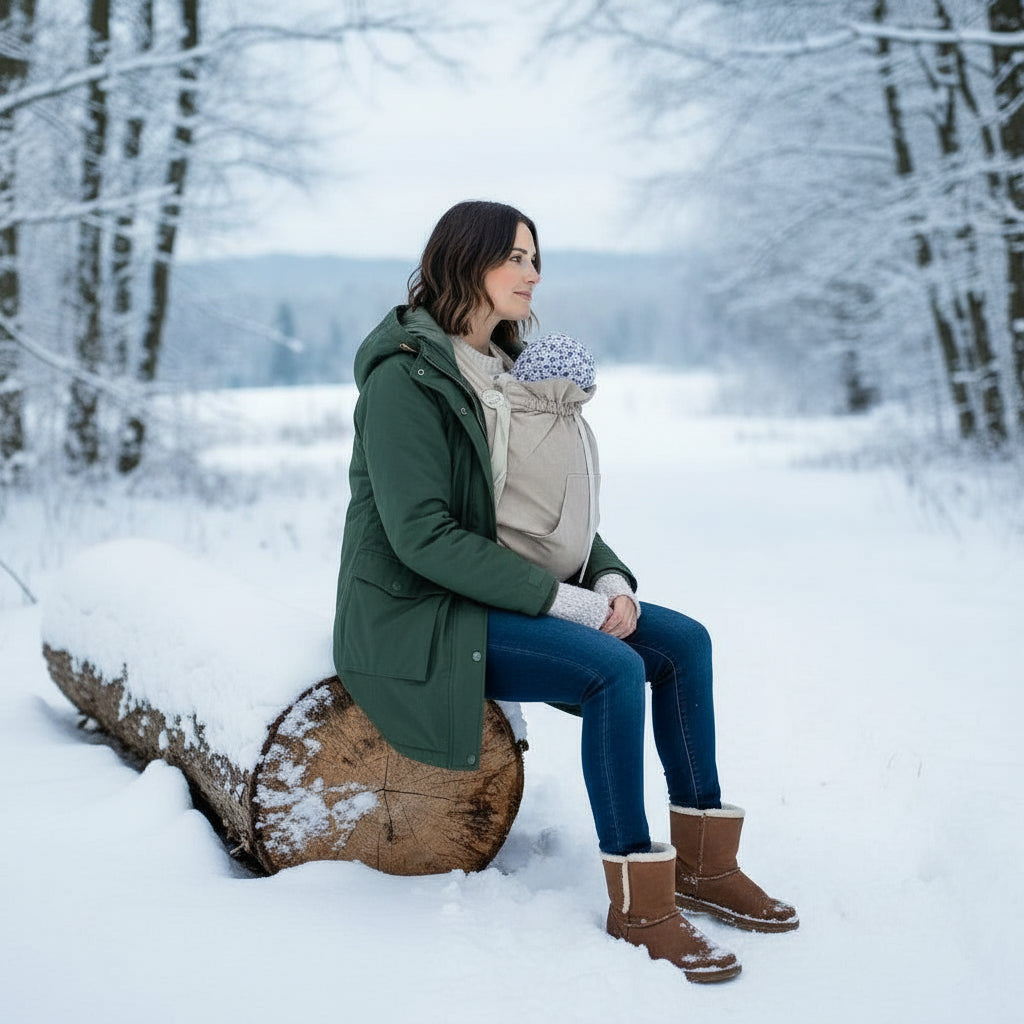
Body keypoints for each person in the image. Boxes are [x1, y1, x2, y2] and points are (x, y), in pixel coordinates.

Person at [333, 200, 797, 984]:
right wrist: (563, 604)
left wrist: (607, 578)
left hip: (496, 590)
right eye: (514, 255)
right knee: (610, 669)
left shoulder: (508, 369)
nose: (532, 272)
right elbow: (424, 537)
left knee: (681, 643)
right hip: (420, 613)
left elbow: (549, 515)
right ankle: (638, 901)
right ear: (463, 260)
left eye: (535, 256)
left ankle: (705, 867)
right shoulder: (404, 379)